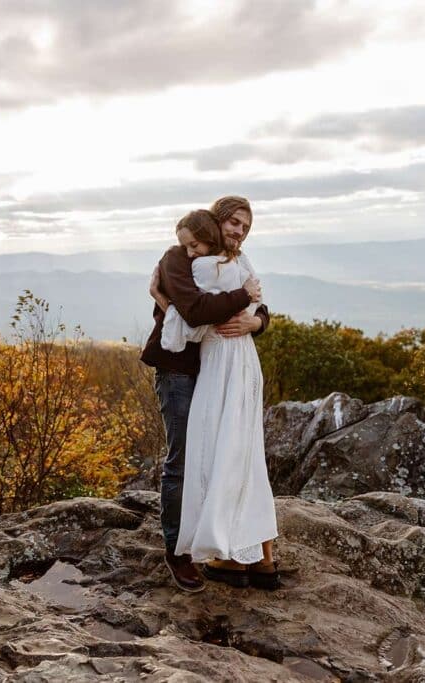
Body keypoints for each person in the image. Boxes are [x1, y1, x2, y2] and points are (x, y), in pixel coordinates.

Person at [140, 195, 270, 592]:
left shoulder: (235, 259)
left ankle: (221, 546)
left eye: (245, 226)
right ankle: (178, 554)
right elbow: (195, 310)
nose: (239, 231)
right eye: (233, 223)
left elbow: (263, 306)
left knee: (219, 456)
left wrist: (255, 323)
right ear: (215, 222)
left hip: (218, 369)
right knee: (183, 459)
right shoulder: (178, 257)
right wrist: (243, 299)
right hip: (180, 371)